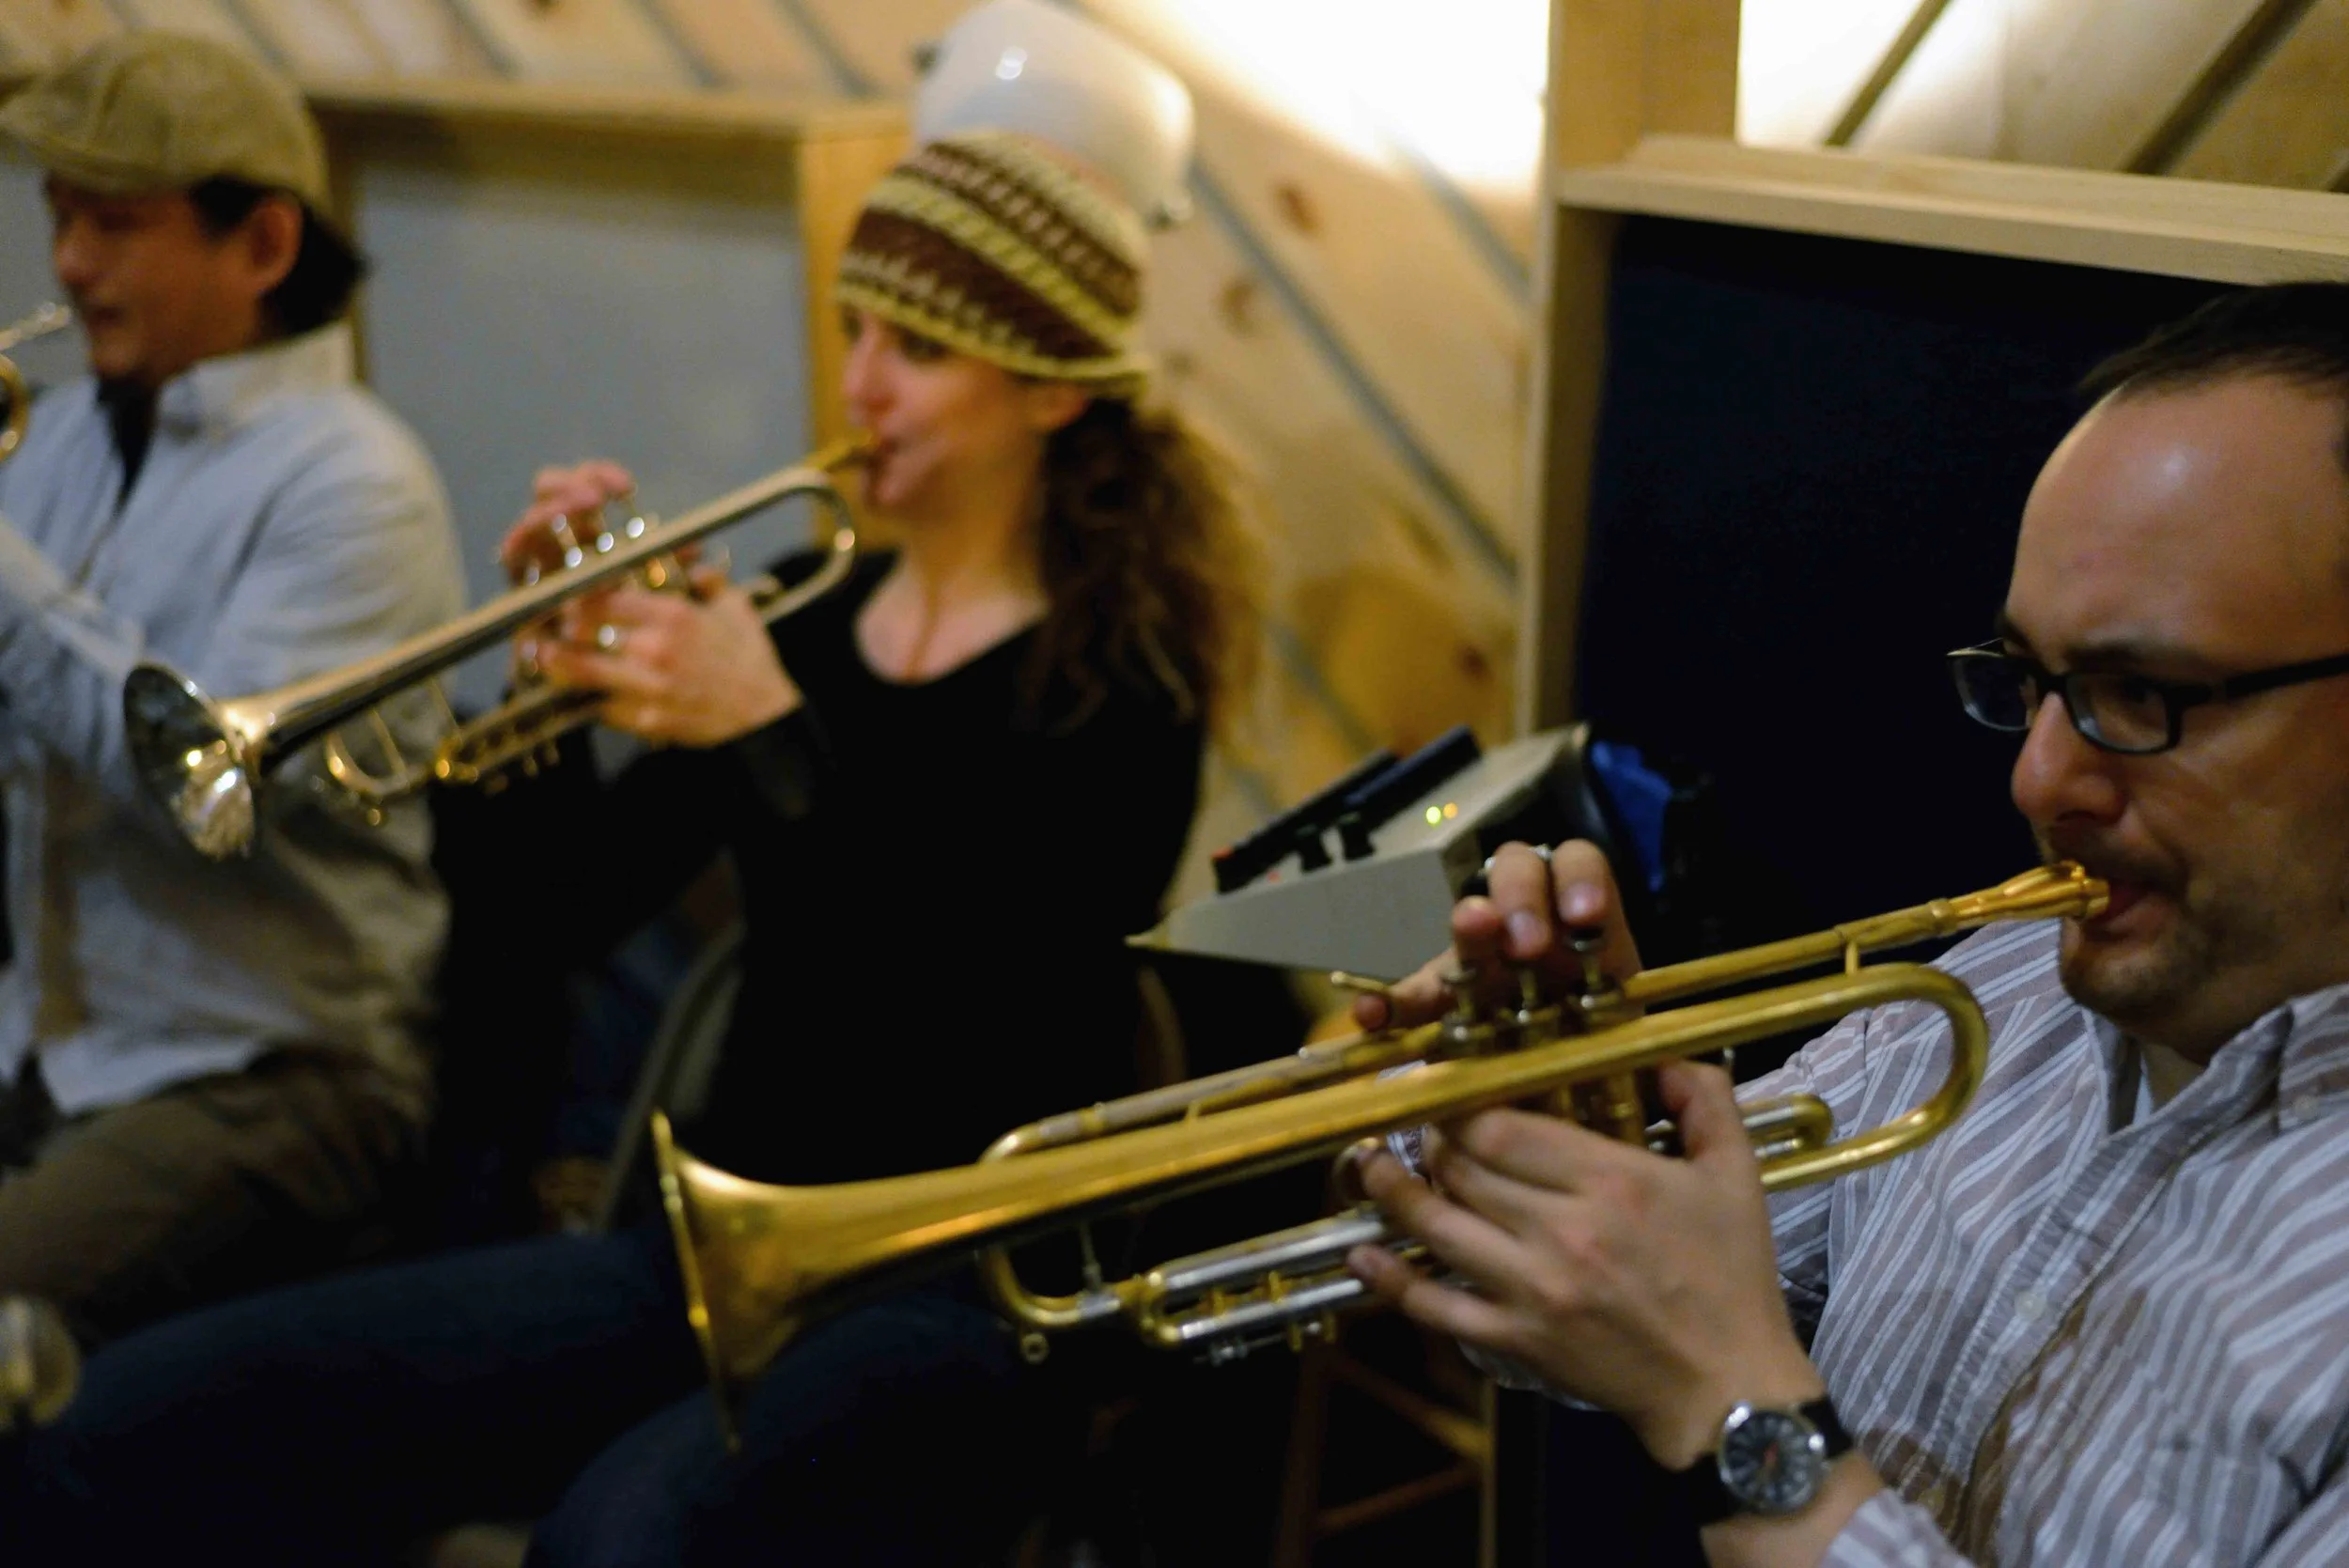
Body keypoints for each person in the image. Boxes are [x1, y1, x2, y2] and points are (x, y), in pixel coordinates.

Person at [5, 127, 1253, 1568]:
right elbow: (549, 912)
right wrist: (551, 692)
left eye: (918, 347)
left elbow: (967, 1016)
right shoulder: (807, 612)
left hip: (962, 1292)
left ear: (1047, 385)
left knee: (616, 1545)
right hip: (702, 1254)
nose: (859, 384)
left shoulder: (1124, 687)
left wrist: (762, 736)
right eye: (856, 329)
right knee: (139, 1420)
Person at [1346, 282, 2349, 1566]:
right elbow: (1615, 1301)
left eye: (2141, 692)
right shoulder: (2007, 994)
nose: (2038, 783)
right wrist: (1550, 1118)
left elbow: (1708, 1372)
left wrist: (1741, 1423)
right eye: (2034, 684)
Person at [0, 33, 462, 1343]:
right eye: (58, 218)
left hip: (279, 1078)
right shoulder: (70, 437)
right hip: (50, 1043)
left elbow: (198, 795)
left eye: (115, 225)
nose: (69, 265)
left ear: (262, 246)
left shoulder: (354, 482)